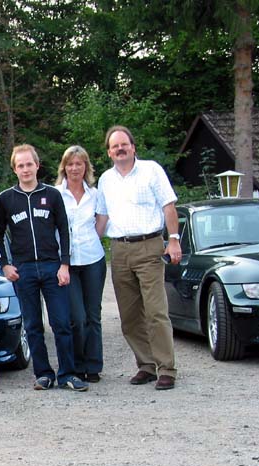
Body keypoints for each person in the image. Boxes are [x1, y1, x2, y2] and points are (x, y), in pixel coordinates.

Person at [0, 144, 88, 392]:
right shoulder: (6, 199)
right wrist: (5, 265)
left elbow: (64, 230)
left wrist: (64, 264)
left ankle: (68, 373)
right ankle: (43, 374)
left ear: (37, 165)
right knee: (33, 325)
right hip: (23, 270)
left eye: (29, 164)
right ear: (14, 169)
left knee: (62, 323)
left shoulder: (52, 195)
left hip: (52, 267)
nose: (25, 169)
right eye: (20, 165)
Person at [95, 125, 180, 390]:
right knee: (129, 316)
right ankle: (146, 365)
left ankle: (166, 368)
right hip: (119, 250)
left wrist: (174, 240)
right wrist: (88, 244)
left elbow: (168, 206)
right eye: (115, 146)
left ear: (133, 147)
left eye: (124, 144)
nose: (120, 149)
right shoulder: (105, 180)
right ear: (109, 153)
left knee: (156, 312)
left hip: (149, 246)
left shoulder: (151, 170)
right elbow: (102, 217)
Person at [55, 145, 107, 383]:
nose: (74, 168)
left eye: (79, 164)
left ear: (86, 167)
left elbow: (101, 220)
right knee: (77, 317)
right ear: (64, 167)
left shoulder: (95, 194)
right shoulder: (56, 194)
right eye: (70, 164)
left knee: (93, 315)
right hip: (67, 263)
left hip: (93, 259)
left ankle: (93, 365)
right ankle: (76, 364)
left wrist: (91, 239)